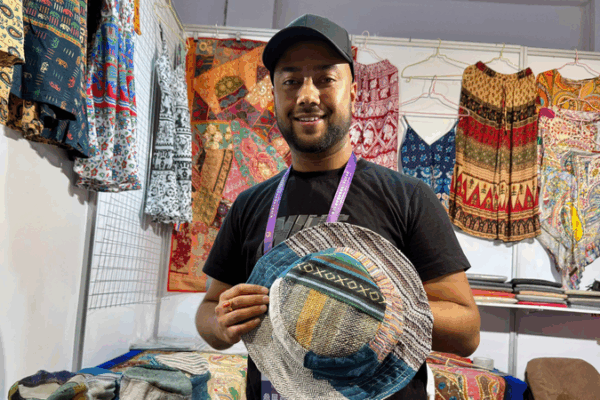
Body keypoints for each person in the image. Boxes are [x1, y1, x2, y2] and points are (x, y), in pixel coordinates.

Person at [195, 14, 481, 400]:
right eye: (291, 81)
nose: (307, 95)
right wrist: (221, 325)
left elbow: (466, 331)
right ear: (274, 95)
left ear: (354, 92)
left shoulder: (408, 197)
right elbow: (210, 309)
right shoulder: (249, 205)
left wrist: (373, 306)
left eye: (325, 79)